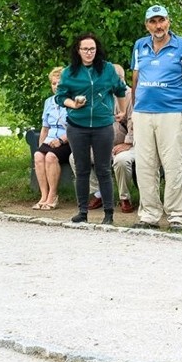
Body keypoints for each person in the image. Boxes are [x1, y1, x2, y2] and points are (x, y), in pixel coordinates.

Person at [130, 4, 182, 231]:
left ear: (168, 21)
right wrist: (133, 111)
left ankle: (177, 215)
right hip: (143, 113)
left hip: (170, 111)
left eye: (161, 21)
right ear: (147, 24)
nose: (158, 26)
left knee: (173, 164)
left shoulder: (181, 46)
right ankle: (149, 215)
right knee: (145, 165)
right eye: (153, 21)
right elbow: (136, 78)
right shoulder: (140, 45)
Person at [55, 33, 127, 225]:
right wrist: (73, 104)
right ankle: (82, 211)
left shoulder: (108, 69)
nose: (89, 53)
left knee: (104, 169)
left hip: (103, 125)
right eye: (85, 49)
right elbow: (60, 97)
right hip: (77, 125)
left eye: (92, 49)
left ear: (97, 50)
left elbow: (120, 90)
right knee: (82, 168)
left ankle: (109, 213)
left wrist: (121, 110)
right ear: (78, 51)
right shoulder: (69, 72)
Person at [68, 63, 136, 213]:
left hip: (128, 145)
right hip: (102, 143)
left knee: (122, 160)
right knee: (75, 157)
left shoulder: (130, 95)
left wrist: (128, 143)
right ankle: (99, 193)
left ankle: (125, 198)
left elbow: (134, 121)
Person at [33, 67, 69, 210]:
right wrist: (41, 146)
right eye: (53, 84)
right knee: (38, 155)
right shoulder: (49, 102)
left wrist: (61, 140)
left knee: (50, 157)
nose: (56, 87)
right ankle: (43, 195)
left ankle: (53, 195)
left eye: (59, 84)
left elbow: (75, 128)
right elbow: (45, 128)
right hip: (50, 139)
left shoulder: (72, 101)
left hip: (67, 140)